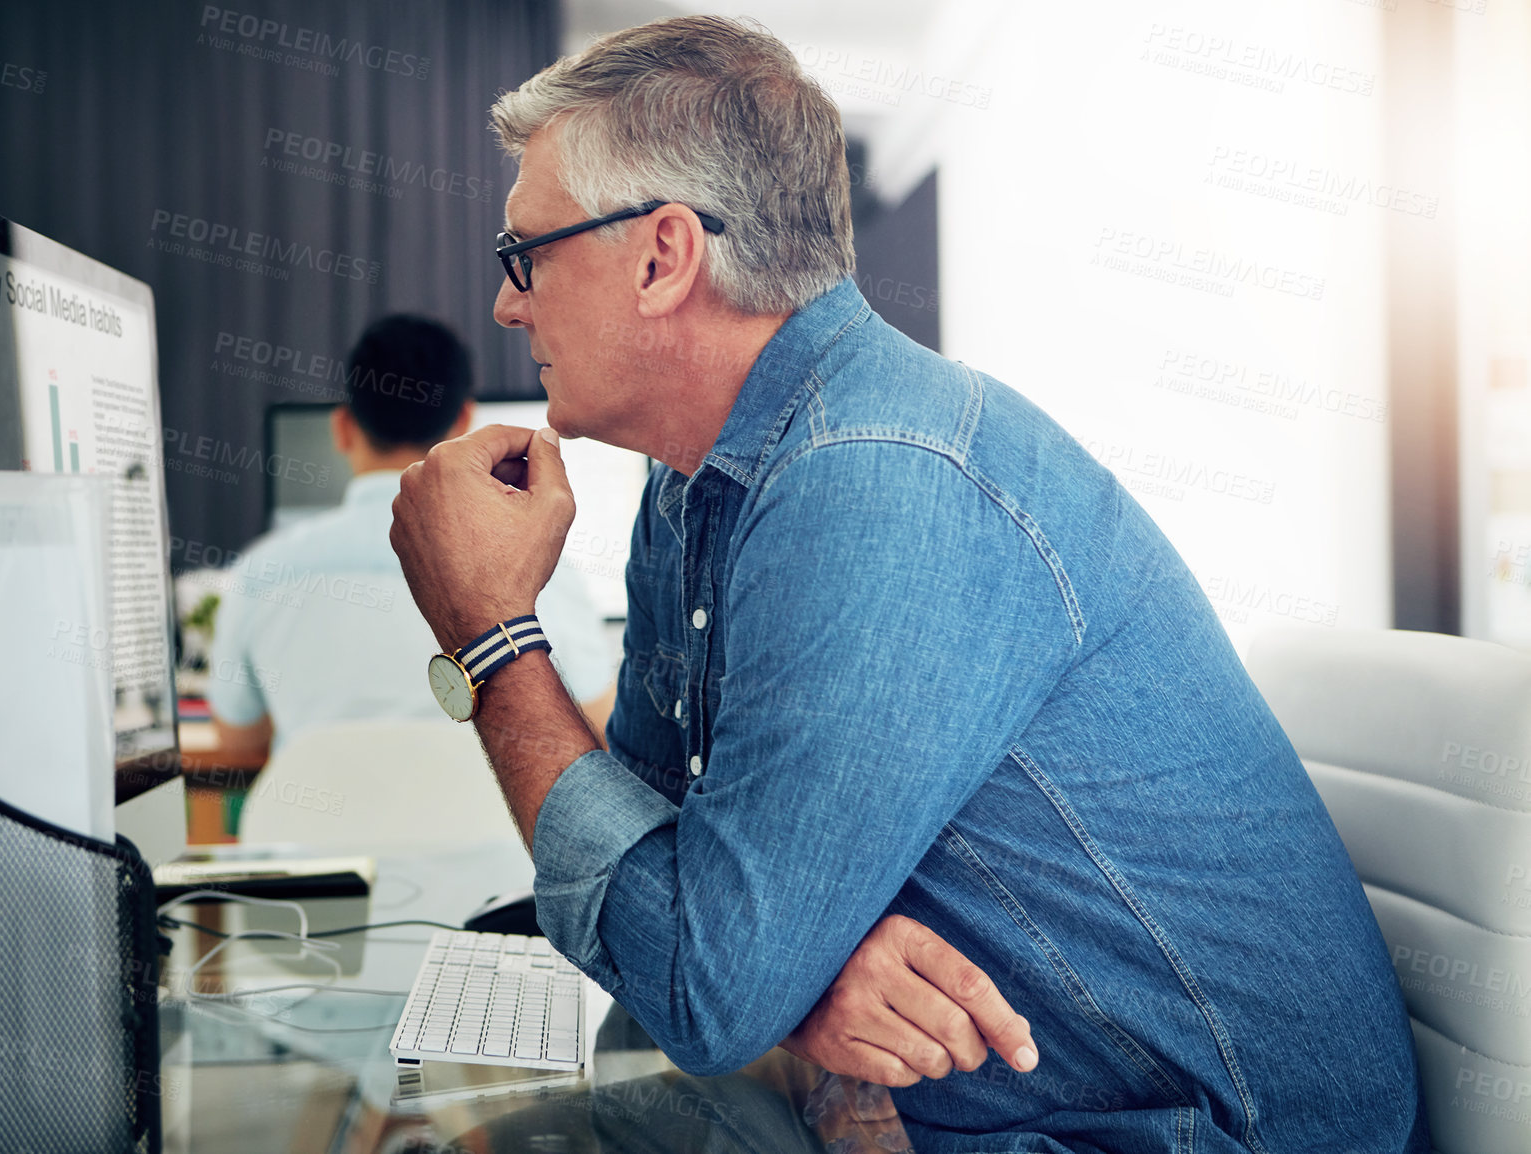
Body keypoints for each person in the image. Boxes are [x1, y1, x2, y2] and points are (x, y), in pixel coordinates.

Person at [388, 16, 1427, 1153]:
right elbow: (654, 881)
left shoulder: (872, 478)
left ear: (660, 254)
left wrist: (491, 635)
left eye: (526, 253)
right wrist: (792, 966)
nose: (507, 304)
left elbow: (697, 980)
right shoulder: (698, 480)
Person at [208, 315, 613, 763]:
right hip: (498, 833)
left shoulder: (260, 572)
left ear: (342, 428)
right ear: (465, 423)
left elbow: (236, 747)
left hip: (308, 832)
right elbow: (601, 726)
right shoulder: (540, 564)